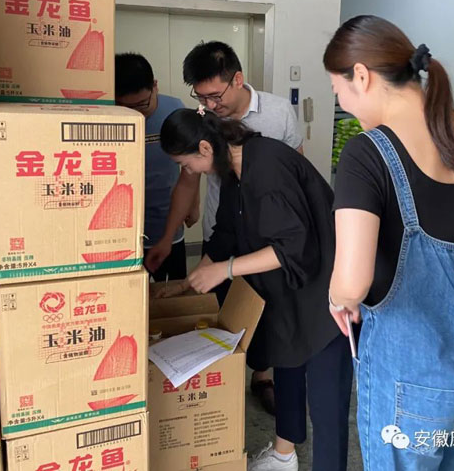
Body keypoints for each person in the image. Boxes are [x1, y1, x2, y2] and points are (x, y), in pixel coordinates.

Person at [324, 15, 454, 470]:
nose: (343, 104)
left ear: (361, 75)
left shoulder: (367, 153)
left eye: (338, 90)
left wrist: (339, 300)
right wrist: (452, 285)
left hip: (412, 384)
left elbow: (352, 283)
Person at [160, 109, 352, 471]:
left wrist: (225, 270)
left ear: (204, 148)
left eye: (187, 164)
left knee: (327, 397)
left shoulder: (266, 166)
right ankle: (284, 455)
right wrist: (186, 283)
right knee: (287, 364)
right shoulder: (233, 171)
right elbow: (225, 235)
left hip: (324, 291)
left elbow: (292, 247)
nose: (191, 172)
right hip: (287, 289)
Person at [147, 41, 303, 415]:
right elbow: (187, 181)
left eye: (214, 96)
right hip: (226, 233)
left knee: (272, 318)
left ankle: (263, 376)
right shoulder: (207, 125)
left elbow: (297, 178)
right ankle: (224, 381)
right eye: (200, 97)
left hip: (273, 239)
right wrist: (169, 239)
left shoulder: (276, 117)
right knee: (226, 316)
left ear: (237, 79)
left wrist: (227, 265)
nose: (209, 105)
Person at [115, 52, 193, 281]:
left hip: (169, 219)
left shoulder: (174, 109)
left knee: (173, 287)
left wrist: (194, 204)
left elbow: (191, 165)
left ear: (155, 87)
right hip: (124, 227)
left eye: (141, 104)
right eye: (125, 107)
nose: (135, 113)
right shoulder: (110, 115)